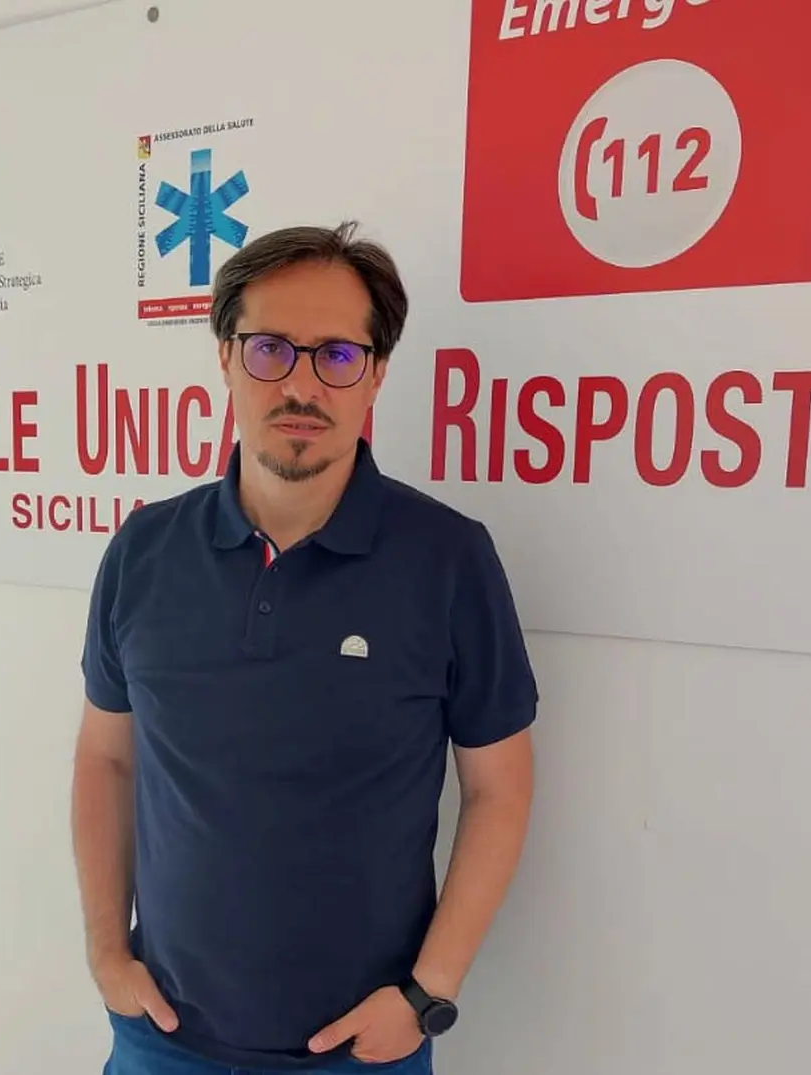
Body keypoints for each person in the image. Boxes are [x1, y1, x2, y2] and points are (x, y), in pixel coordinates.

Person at [72, 221, 538, 1074]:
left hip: (360, 1052)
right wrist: (107, 950)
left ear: (377, 373)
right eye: (270, 350)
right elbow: (107, 758)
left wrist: (428, 993)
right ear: (226, 357)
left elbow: (498, 787)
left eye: (337, 356)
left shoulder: (448, 560)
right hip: (160, 1040)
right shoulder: (143, 551)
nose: (301, 384)